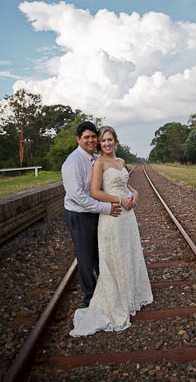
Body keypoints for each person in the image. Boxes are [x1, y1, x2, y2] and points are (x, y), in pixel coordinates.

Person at [70, 125, 153, 336]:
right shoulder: (99, 163)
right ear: (100, 143)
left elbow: (124, 184)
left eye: (109, 140)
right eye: (103, 141)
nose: (106, 144)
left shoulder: (121, 162)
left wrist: (134, 193)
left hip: (128, 217)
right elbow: (95, 192)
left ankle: (131, 295)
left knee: (128, 253)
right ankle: (117, 300)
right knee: (115, 256)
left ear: (115, 141)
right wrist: (119, 200)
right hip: (113, 216)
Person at [61, 121, 122, 307]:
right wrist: (105, 208)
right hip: (79, 214)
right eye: (86, 137)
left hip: (94, 211)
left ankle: (105, 289)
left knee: (99, 251)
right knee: (85, 256)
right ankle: (90, 297)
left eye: (93, 137)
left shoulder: (96, 158)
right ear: (78, 139)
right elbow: (77, 196)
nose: (91, 140)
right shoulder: (72, 162)